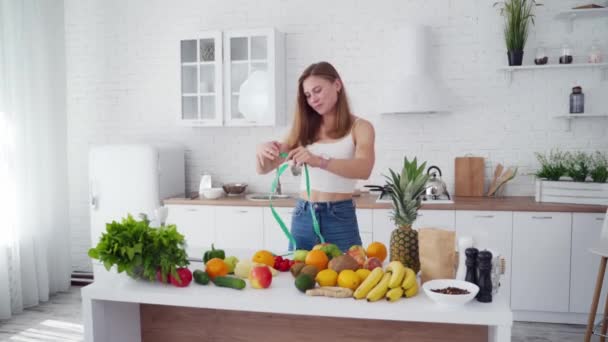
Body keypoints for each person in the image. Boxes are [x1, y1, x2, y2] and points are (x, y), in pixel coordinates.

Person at [255, 61, 375, 252]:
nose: (313, 100)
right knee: (299, 277)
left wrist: (319, 161)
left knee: (348, 278)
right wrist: (261, 150)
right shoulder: (304, 129)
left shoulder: (361, 127)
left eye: (317, 90)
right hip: (304, 215)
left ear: (337, 85)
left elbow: (364, 168)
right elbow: (265, 168)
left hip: (340, 217)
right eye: (308, 96)